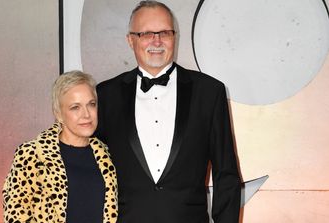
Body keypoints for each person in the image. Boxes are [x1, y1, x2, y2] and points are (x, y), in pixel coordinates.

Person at [95, 1, 241, 222]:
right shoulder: (106, 95)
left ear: (175, 37)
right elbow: (92, 173)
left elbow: (226, 175)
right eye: (146, 33)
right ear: (130, 40)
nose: (157, 40)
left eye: (164, 32)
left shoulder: (209, 92)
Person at [2, 70, 118, 223]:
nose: (86, 115)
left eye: (91, 104)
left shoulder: (107, 155)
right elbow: (15, 216)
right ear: (58, 113)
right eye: (75, 107)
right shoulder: (32, 154)